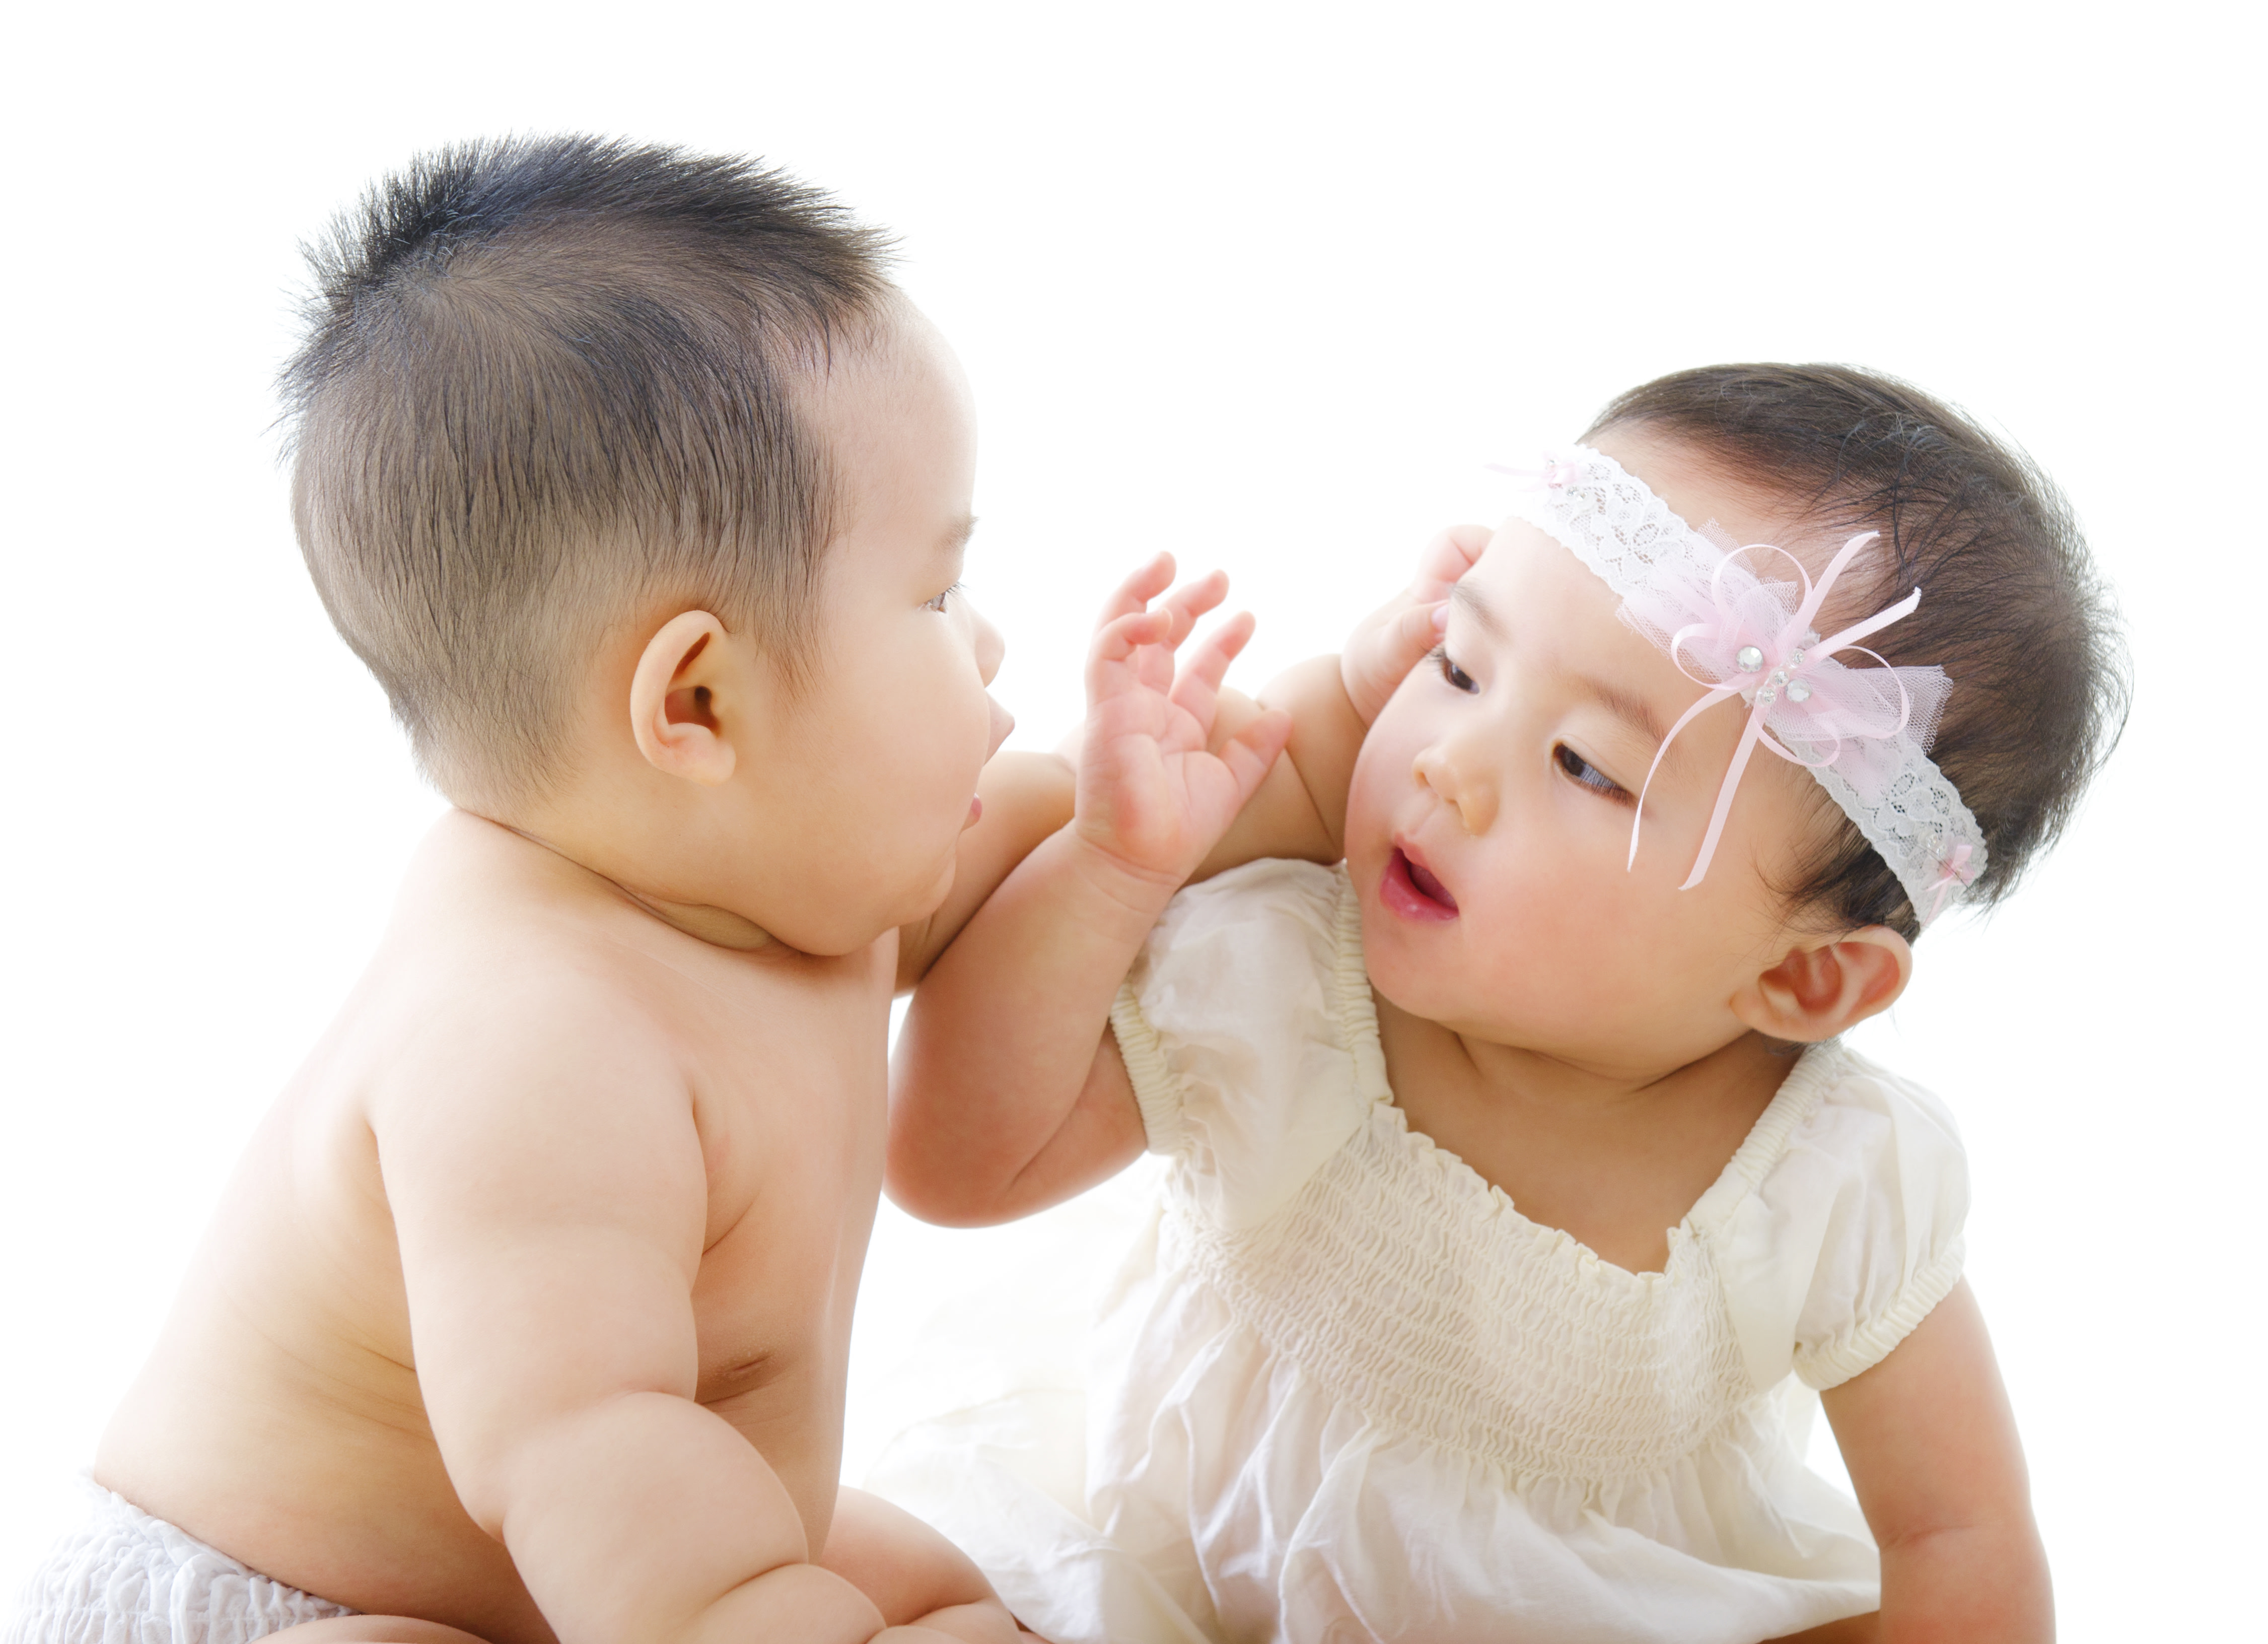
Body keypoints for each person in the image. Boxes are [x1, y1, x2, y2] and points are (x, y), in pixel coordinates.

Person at [6, 134, 1291, 1644]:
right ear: (698, 706)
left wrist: (1123, 844)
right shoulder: (534, 1046)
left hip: (607, 1560)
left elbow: (1011, 858)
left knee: (962, 1589)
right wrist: (759, 1608)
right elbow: (584, 1446)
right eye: (935, 597)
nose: (992, 645)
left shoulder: (789, 860)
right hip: (289, 1596)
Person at [879, 365, 2127, 1642]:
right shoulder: (1291, 979)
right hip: (1179, 1593)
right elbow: (955, 1166)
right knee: (903, 1599)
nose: (1446, 762)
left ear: (1803, 977)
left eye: (1586, 766)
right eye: (1458, 665)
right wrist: (1112, 869)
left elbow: (1955, 1534)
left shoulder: (1824, 1182)